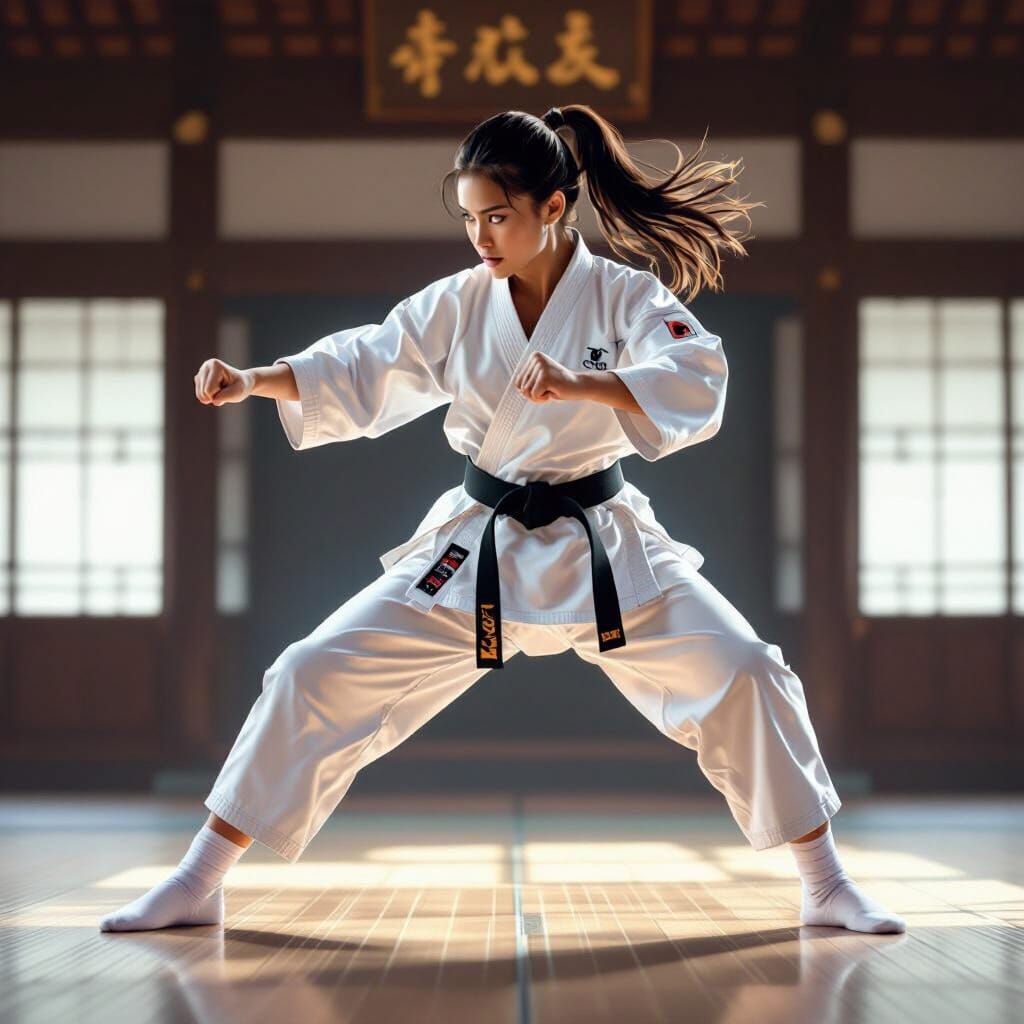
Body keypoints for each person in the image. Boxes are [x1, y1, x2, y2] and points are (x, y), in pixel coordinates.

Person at [99, 105, 905, 935]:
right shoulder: (457, 302)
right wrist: (255, 377)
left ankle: (826, 883)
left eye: (498, 215)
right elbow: (371, 360)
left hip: (604, 541)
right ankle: (200, 879)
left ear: (554, 207)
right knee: (311, 672)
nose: (481, 236)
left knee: (748, 670)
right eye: (470, 217)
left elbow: (694, 373)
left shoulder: (626, 296)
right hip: (478, 543)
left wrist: (586, 386)